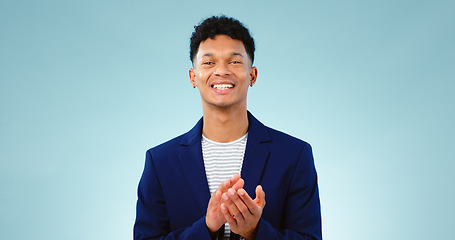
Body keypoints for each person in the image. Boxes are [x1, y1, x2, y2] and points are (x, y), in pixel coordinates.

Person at [134, 16, 322, 240]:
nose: (221, 71)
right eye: (209, 62)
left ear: (252, 75)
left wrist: (255, 231)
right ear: (193, 77)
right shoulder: (160, 161)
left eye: (234, 61)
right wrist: (206, 228)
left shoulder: (294, 155)